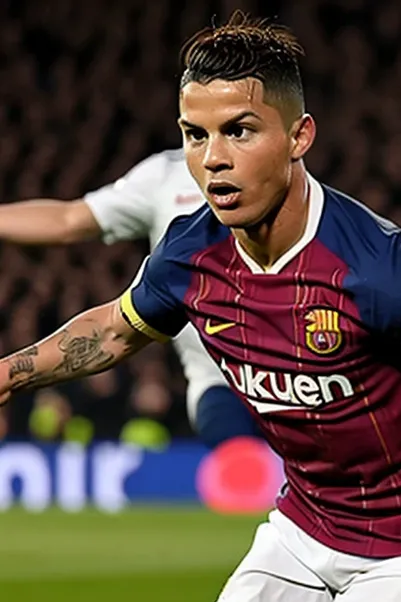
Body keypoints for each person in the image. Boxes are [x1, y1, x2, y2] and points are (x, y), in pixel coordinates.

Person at [1, 15, 401, 602]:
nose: (213, 158)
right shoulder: (190, 252)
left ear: (299, 137)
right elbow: (116, 330)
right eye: (195, 135)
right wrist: (8, 373)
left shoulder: (381, 268)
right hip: (307, 527)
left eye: (240, 131)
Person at [0, 142, 260, 448]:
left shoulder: (300, 207)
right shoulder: (180, 240)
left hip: (303, 380)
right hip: (219, 382)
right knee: (241, 463)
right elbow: (112, 331)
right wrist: (8, 373)